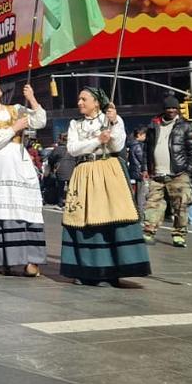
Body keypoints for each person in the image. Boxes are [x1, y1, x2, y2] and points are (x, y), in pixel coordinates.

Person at [60, 88, 151, 286]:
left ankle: (111, 271)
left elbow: (117, 146)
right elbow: (73, 149)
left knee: (110, 217)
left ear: (96, 102)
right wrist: (96, 140)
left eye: (84, 99)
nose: (80, 103)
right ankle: (85, 269)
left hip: (108, 171)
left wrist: (115, 122)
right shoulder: (75, 124)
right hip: (84, 171)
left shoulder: (112, 119)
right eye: (79, 99)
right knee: (83, 220)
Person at [0, 79, 47, 276]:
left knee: (25, 211)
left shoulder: (16, 108)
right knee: (0, 213)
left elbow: (40, 121)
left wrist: (32, 99)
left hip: (18, 164)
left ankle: (31, 260)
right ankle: (3, 259)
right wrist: (14, 128)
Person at [143, 95, 192, 247]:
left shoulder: (185, 126)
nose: (171, 110)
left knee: (181, 205)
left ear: (178, 109)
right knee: (152, 204)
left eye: (174, 108)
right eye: (168, 108)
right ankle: (149, 232)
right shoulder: (153, 126)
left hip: (178, 174)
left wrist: (188, 171)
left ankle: (179, 234)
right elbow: (147, 149)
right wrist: (146, 168)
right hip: (157, 174)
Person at [126, 127, 149, 218]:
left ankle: (137, 213)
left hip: (135, 172)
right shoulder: (138, 146)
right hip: (141, 173)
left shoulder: (131, 145)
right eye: (144, 135)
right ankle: (141, 214)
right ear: (139, 135)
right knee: (142, 195)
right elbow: (142, 159)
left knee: (138, 195)